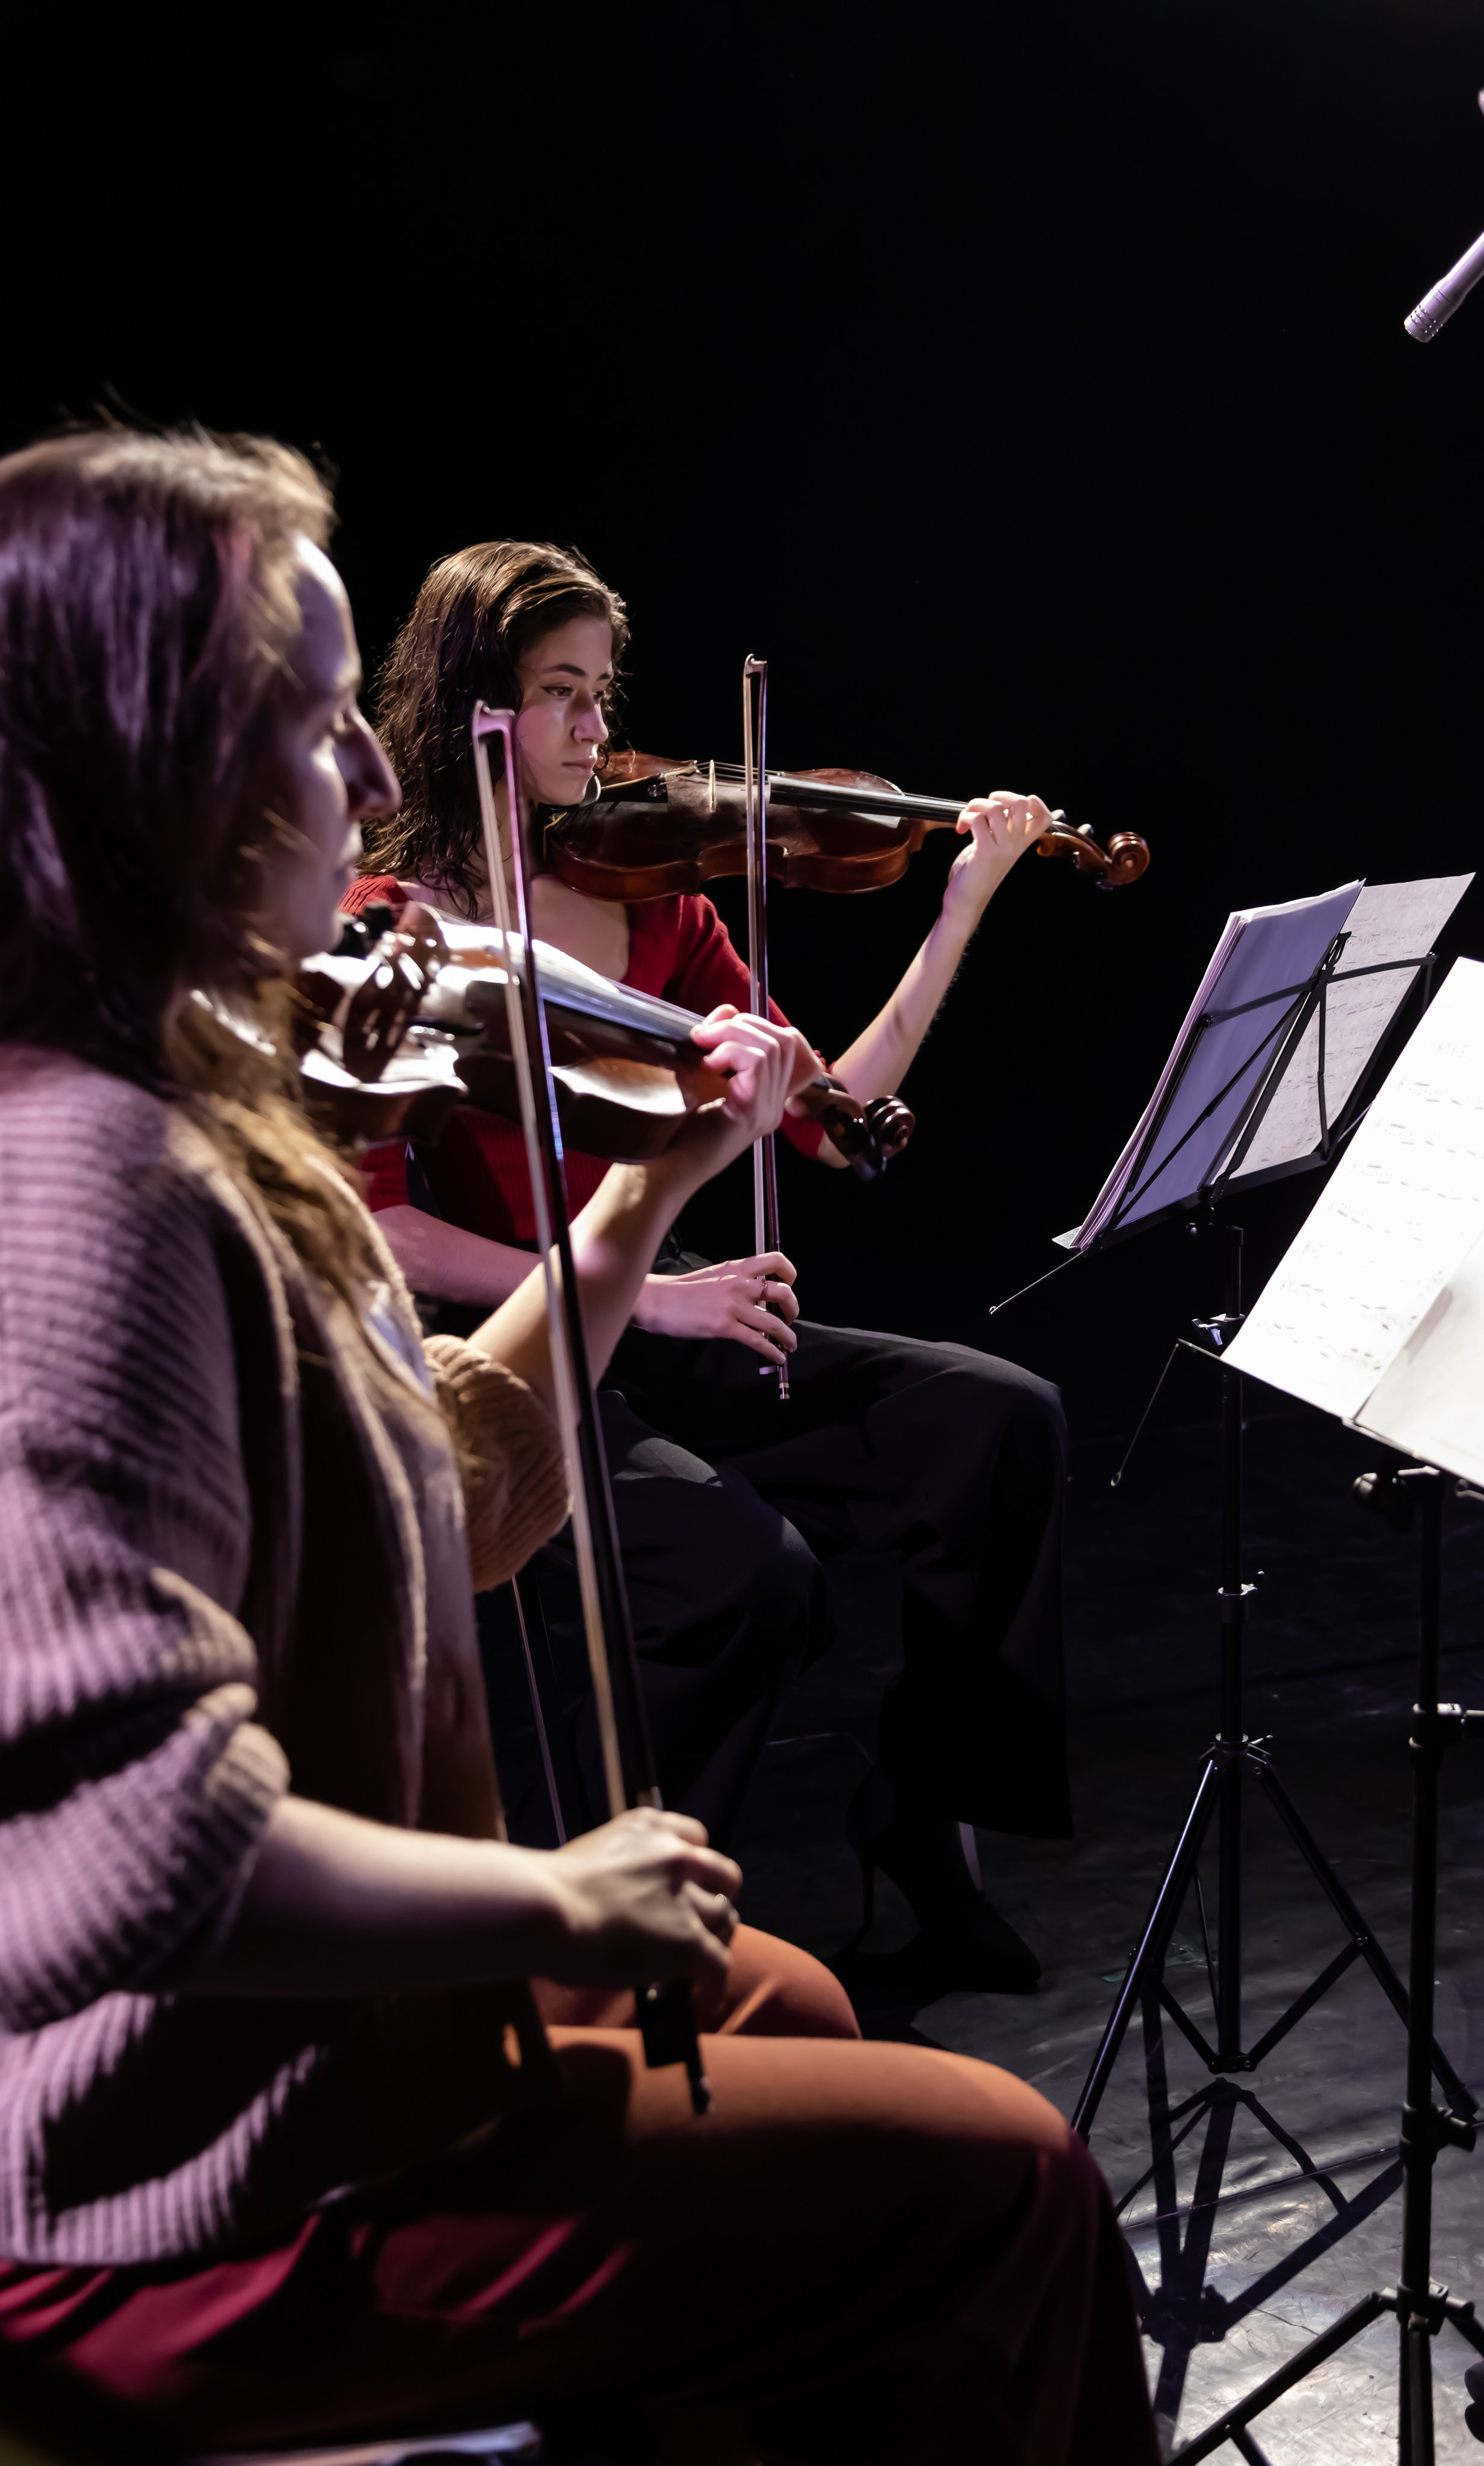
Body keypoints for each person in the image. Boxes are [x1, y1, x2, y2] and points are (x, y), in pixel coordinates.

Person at [0, 428, 1158, 2464]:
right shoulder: (70, 1191)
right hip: (157, 2181)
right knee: (1010, 2184)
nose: (376, 777)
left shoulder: (212, 1096)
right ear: (136, 763)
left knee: (801, 2011)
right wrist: (552, 1907)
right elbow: (110, 1855)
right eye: (317, 721)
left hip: (300, 2056)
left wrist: (637, 1205)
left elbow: (460, 1493)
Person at [349, 540, 1070, 1998]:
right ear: (475, 705)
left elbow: (829, 1118)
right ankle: (595, 1936)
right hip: (509, 1344)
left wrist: (961, 909)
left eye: (601, 692)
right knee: (750, 1579)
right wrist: (666, 1293)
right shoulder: (387, 925)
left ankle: (922, 1833)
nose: (595, 730)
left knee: (995, 1420)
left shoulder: (659, 901)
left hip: (657, 1305)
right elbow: (380, 1229)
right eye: (559, 693)